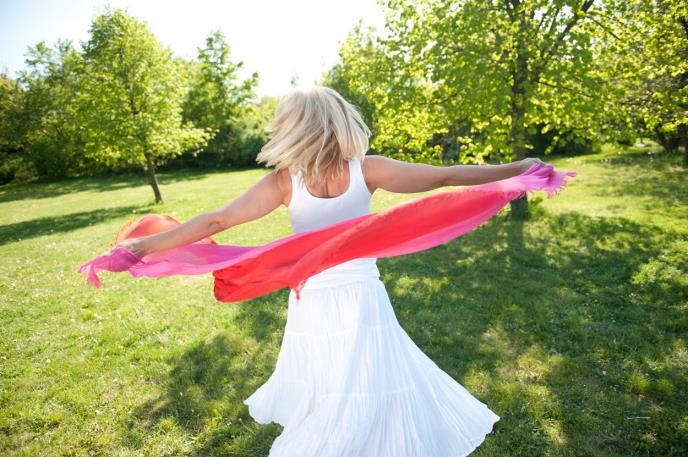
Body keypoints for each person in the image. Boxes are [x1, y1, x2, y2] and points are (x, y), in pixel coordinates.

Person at [117, 86, 546, 456]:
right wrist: (516, 169)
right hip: (353, 292)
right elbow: (443, 178)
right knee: (364, 372)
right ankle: (358, 431)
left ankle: (350, 433)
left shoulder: (287, 182)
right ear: (339, 121)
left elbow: (217, 220)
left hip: (319, 295)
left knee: (333, 375)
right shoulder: (364, 169)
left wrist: (143, 246)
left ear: (292, 128)